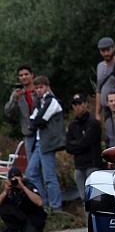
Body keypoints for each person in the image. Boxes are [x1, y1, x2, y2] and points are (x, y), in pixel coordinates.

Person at [27, 76, 65, 211]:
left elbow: (39, 121)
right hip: (39, 142)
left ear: (47, 87)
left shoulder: (52, 101)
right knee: (31, 173)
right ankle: (44, 203)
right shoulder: (40, 102)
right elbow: (31, 122)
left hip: (48, 143)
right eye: (36, 88)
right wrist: (34, 122)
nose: (38, 90)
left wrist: (35, 122)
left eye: (41, 87)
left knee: (49, 177)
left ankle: (56, 207)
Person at [65, 93, 104, 196]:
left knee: (95, 197)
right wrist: (79, 143)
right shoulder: (73, 124)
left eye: (79, 103)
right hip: (79, 166)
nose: (77, 106)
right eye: (75, 104)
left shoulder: (93, 123)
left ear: (85, 104)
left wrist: (76, 144)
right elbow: (68, 146)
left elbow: (86, 143)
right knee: (84, 198)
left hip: (92, 164)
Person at [4, 65, 38, 160]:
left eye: (26, 74)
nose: (24, 77)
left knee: (43, 164)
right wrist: (15, 99)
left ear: (32, 75)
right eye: (21, 75)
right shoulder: (17, 93)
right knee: (31, 164)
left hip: (42, 132)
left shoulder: (39, 90)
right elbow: (8, 111)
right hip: (29, 133)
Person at [0, 167, 45, 232]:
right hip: (21, 218)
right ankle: (15, 228)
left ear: (21, 177)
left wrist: (23, 187)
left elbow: (39, 202)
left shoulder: (28, 185)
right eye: (12, 177)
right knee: (3, 208)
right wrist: (5, 192)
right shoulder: (11, 189)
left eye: (17, 177)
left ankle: (23, 229)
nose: (14, 179)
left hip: (33, 217)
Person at [95, 37, 115, 121]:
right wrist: (97, 113)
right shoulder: (100, 66)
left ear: (113, 48)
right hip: (107, 110)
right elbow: (98, 90)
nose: (106, 53)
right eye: (103, 51)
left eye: (108, 50)